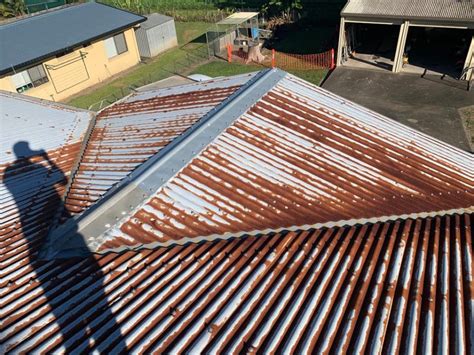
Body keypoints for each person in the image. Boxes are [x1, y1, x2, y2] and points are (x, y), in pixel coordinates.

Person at [4, 141, 125, 353]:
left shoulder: (10, 172)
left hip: (30, 229)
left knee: (68, 322)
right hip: (57, 233)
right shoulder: (36, 167)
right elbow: (62, 179)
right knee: (102, 311)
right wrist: (46, 159)